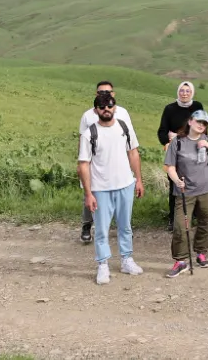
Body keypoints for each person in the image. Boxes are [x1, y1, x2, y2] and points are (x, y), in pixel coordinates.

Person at [77, 90, 144, 285]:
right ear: (96, 110)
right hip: (101, 188)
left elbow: (133, 153)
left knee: (125, 226)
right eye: (102, 106)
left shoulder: (124, 127)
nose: (106, 109)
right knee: (102, 229)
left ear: (114, 107)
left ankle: (126, 259)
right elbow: (83, 164)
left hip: (125, 184)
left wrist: (138, 179)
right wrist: (88, 193)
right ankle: (103, 264)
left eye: (109, 105)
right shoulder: (90, 133)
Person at [163, 109, 208, 278]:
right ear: (190, 122)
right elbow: (170, 167)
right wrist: (176, 180)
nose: (201, 125)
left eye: (204, 123)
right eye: (198, 121)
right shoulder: (178, 142)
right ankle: (180, 261)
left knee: (206, 223)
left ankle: (201, 253)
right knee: (180, 226)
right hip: (184, 190)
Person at [77, 80, 135, 243]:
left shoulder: (123, 113)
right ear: (96, 95)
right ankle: (87, 224)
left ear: (113, 94)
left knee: (122, 198)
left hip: (119, 162)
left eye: (107, 92)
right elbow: (82, 140)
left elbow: (130, 142)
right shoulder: (88, 115)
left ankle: (123, 228)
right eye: (101, 92)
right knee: (91, 195)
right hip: (97, 163)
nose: (104, 95)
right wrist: (80, 164)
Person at [157, 81, 204, 231]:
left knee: (194, 182)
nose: (184, 93)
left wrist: (177, 135)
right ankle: (173, 217)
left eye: (187, 91)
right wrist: (168, 140)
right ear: (178, 92)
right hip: (176, 153)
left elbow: (201, 127)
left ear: (192, 93)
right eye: (182, 91)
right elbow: (162, 131)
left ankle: (194, 215)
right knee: (175, 184)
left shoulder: (197, 107)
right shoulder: (169, 109)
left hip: (194, 151)